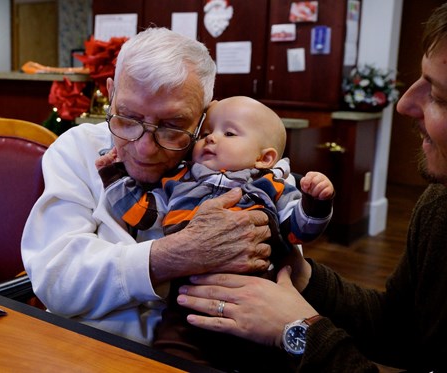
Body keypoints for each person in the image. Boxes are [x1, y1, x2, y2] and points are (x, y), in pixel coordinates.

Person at [175, 3, 447, 372]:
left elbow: (302, 218)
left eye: (439, 96)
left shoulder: (270, 184)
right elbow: (400, 327)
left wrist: (299, 331)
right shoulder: (438, 205)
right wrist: (302, 276)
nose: (404, 104)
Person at [20, 26, 276, 354]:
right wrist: (175, 255)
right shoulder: (78, 150)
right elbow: (57, 280)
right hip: (83, 351)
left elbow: (273, 280)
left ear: (204, 116)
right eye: (127, 118)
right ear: (111, 93)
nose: (143, 149)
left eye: (171, 127)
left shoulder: (235, 162)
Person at [95, 95, 335, 368]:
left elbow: (299, 232)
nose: (210, 138)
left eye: (229, 133)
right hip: (188, 309)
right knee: (171, 356)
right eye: (207, 133)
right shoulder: (178, 182)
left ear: (264, 158)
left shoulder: (272, 187)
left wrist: (315, 202)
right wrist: (113, 176)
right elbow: (142, 213)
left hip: (257, 308)